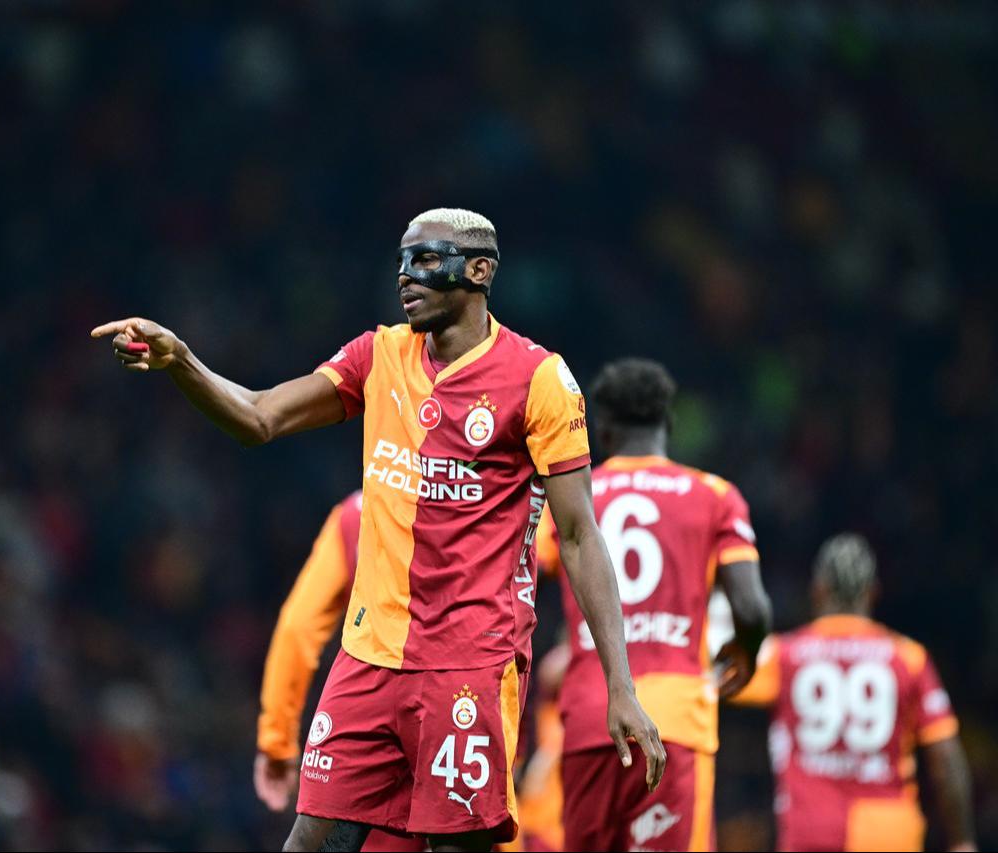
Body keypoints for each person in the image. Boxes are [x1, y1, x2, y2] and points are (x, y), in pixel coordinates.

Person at [93, 208, 665, 852]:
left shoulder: (538, 380)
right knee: (312, 840)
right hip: (367, 659)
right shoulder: (378, 355)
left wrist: (621, 683)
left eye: (425, 260)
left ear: (479, 271)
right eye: (401, 261)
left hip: (469, 662)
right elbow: (259, 417)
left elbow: (582, 536)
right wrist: (182, 361)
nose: (405, 276)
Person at [535, 358, 772, 851]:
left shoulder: (572, 499)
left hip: (589, 719)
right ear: (668, 424)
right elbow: (750, 609)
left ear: (604, 431)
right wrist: (745, 652)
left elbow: (517, 577)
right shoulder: (715, 496)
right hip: (675, 722)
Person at [734, 534, 977, 852]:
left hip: (812, 831)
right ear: (873, 592)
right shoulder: (909, 658)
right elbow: (946, 760)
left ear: (817, 589)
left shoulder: (784, 655)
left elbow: (717, 681)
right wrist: (962, 841)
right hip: (888, 834)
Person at [255, 490, 422, 852]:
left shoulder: (353, 516)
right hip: (450, 718)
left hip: (366, 722)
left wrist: (277, 741)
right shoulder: (476, 502)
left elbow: (296, 630)